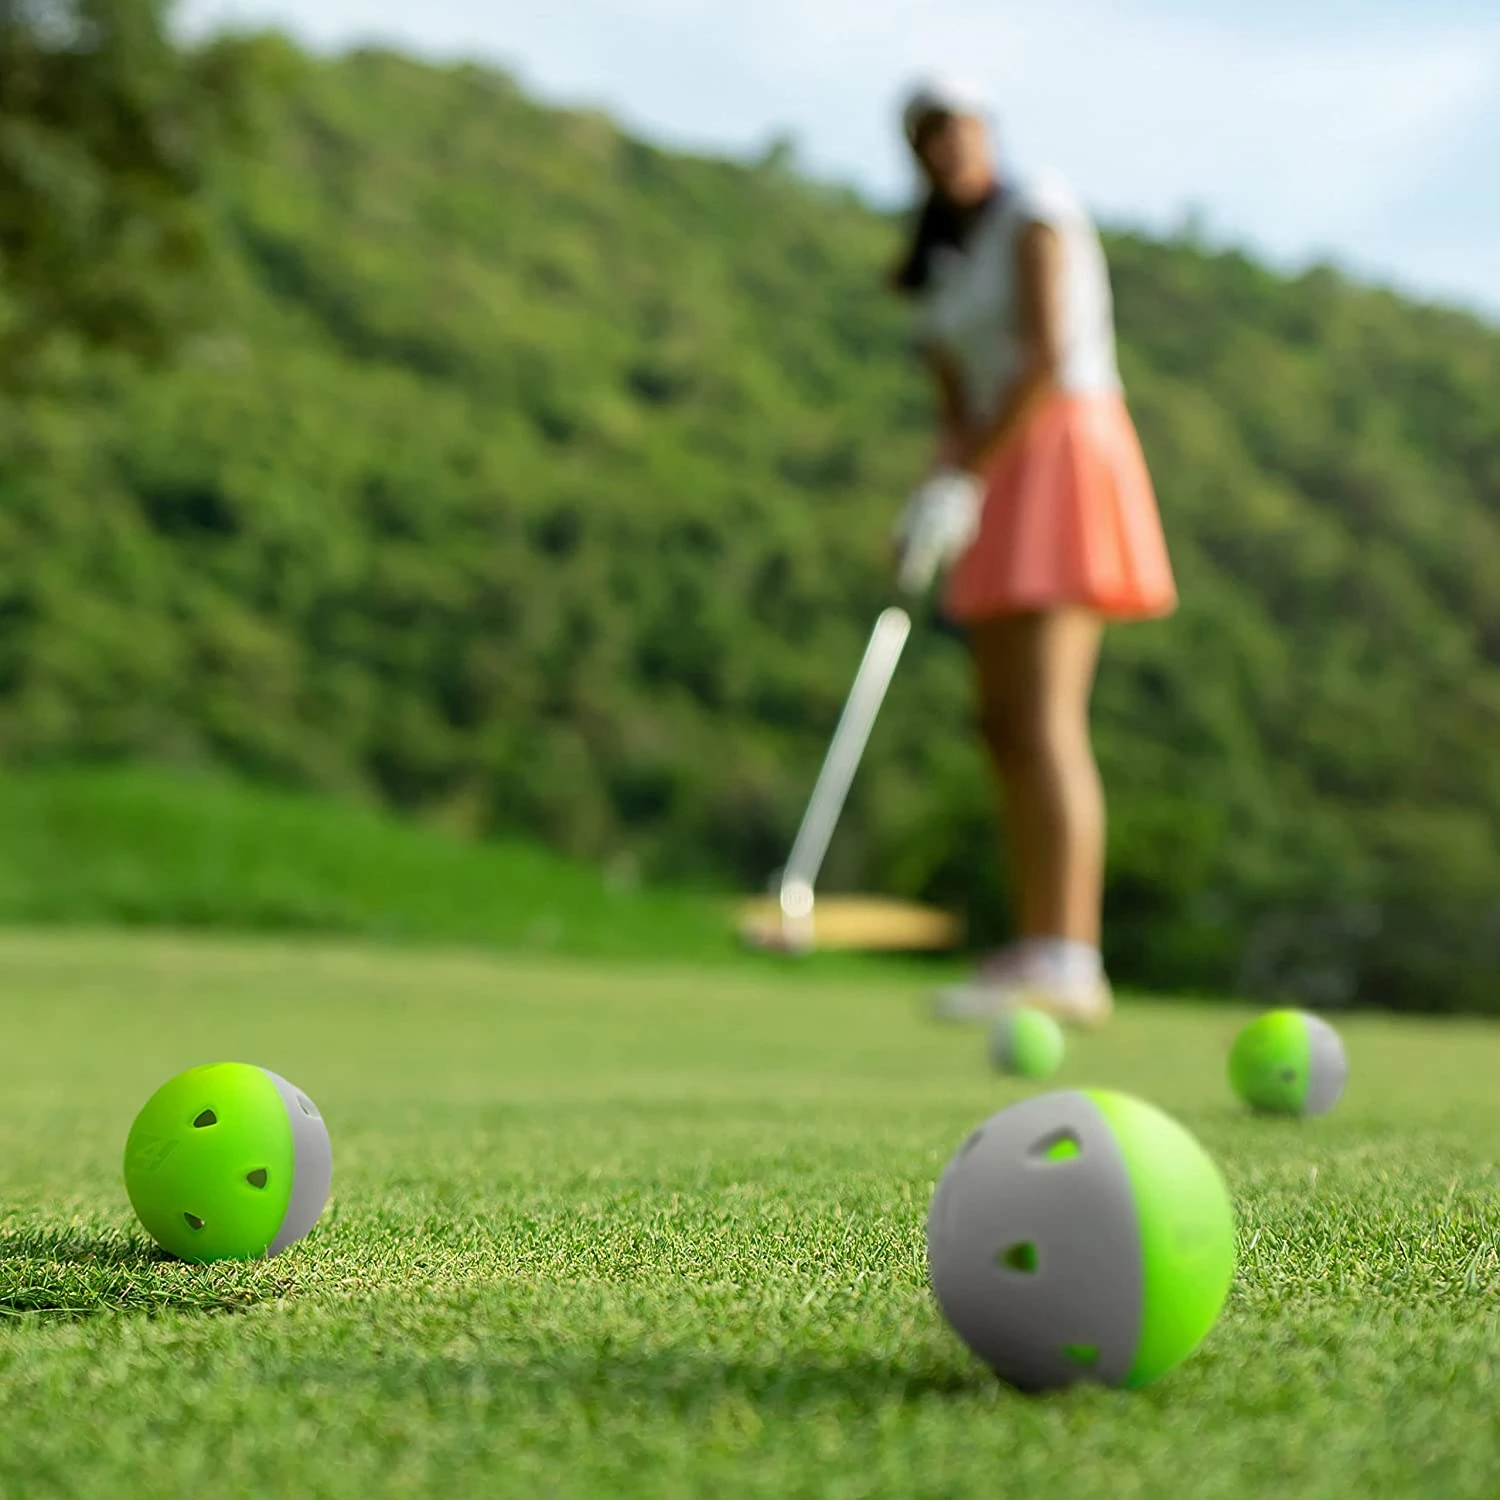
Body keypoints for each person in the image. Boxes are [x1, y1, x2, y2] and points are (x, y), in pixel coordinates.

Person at [889, 78, 1176, 1028]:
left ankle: (1071, 957)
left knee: (1048, 717)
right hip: (989, 473)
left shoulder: (1038, 210)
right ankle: (1036, 944)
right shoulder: (941, 259)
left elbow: (1048, 359)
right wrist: (932, 493)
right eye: (931, 136)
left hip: (1059, 453)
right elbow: (954, 407)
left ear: (986, 133)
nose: (949, 146)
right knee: (1002, 721)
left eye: (960, 129)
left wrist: (968, 476)